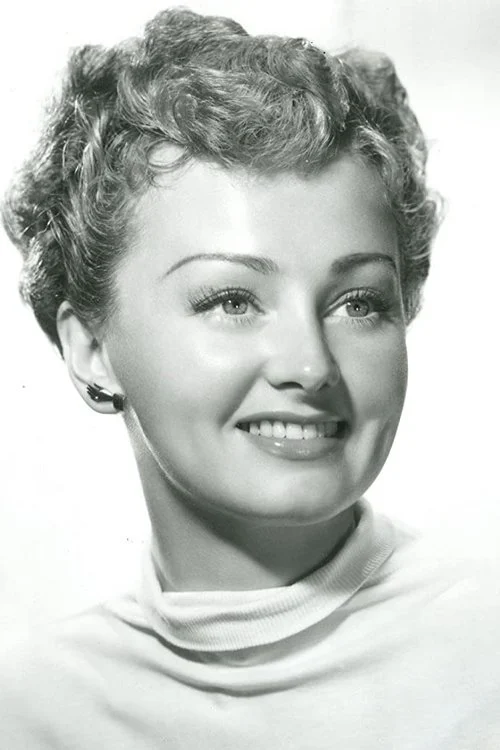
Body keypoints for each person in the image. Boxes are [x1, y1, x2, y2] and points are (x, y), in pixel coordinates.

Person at [1, 7, 499, 748]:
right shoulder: (31, 713)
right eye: (232, 300)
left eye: (358, 302)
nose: (311, 366)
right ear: (91, 349)